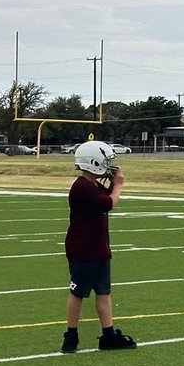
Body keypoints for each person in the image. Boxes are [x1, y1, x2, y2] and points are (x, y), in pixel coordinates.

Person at [60, 141, 138, 353]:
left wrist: (113, 183)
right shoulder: (82, 187)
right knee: (78, 292)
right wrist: (119, 185)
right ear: (93, 162)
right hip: (84, 249)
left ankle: (108, 334)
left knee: (103, 292)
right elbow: (108, 203)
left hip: (98, 246)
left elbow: (105, 197)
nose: (108, 165)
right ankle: (71, 335)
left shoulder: (92, 185)